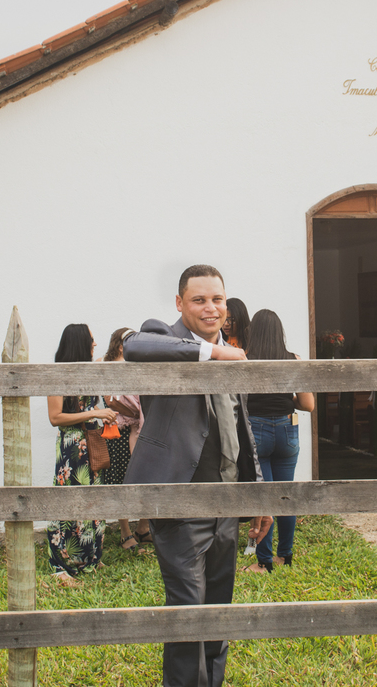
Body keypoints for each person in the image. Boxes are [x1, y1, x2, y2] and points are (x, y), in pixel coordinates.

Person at [123, 264, 271, 687]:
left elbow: (242, 433)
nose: (211, 308)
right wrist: (212, 353)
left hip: (226, 504)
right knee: (189, 612)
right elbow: (135, 347)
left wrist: (256, 496)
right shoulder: (162, 336)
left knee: (217, 615)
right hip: (179, 504)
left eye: (218, 299)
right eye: (199, 299)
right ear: (179, 303)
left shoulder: (235, 353)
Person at [241, 309, 315, 574]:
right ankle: (286, 555)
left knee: (264, 497)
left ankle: (264, 562)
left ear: (253, 332)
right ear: (279, 332)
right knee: (287, 495)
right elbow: (308, 404)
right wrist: (287, 401)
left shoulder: (245, 361)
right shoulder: (294, 360)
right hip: (287, 429)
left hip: (256, 431)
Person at [46, 323, 115, 585]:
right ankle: (61, 566)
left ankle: (89, 559)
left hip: (91, 442)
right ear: (78, 343)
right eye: (91, 340)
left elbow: (112, 359)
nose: (95, 344)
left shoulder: (87, 371)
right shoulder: (57, 375)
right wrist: (95, 412)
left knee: (93, 500)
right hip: (72, 447)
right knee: (68, 502)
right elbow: (55, 417)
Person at [101, 326, 152, 550]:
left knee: (146, 478)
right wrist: (133, 413)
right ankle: (125, 532)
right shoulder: (106, 366)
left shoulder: (139, 366)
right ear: (120, 345)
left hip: (140, 429)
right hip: (118, 432)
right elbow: (110, 400)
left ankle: (143, 528)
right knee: (120, 479)